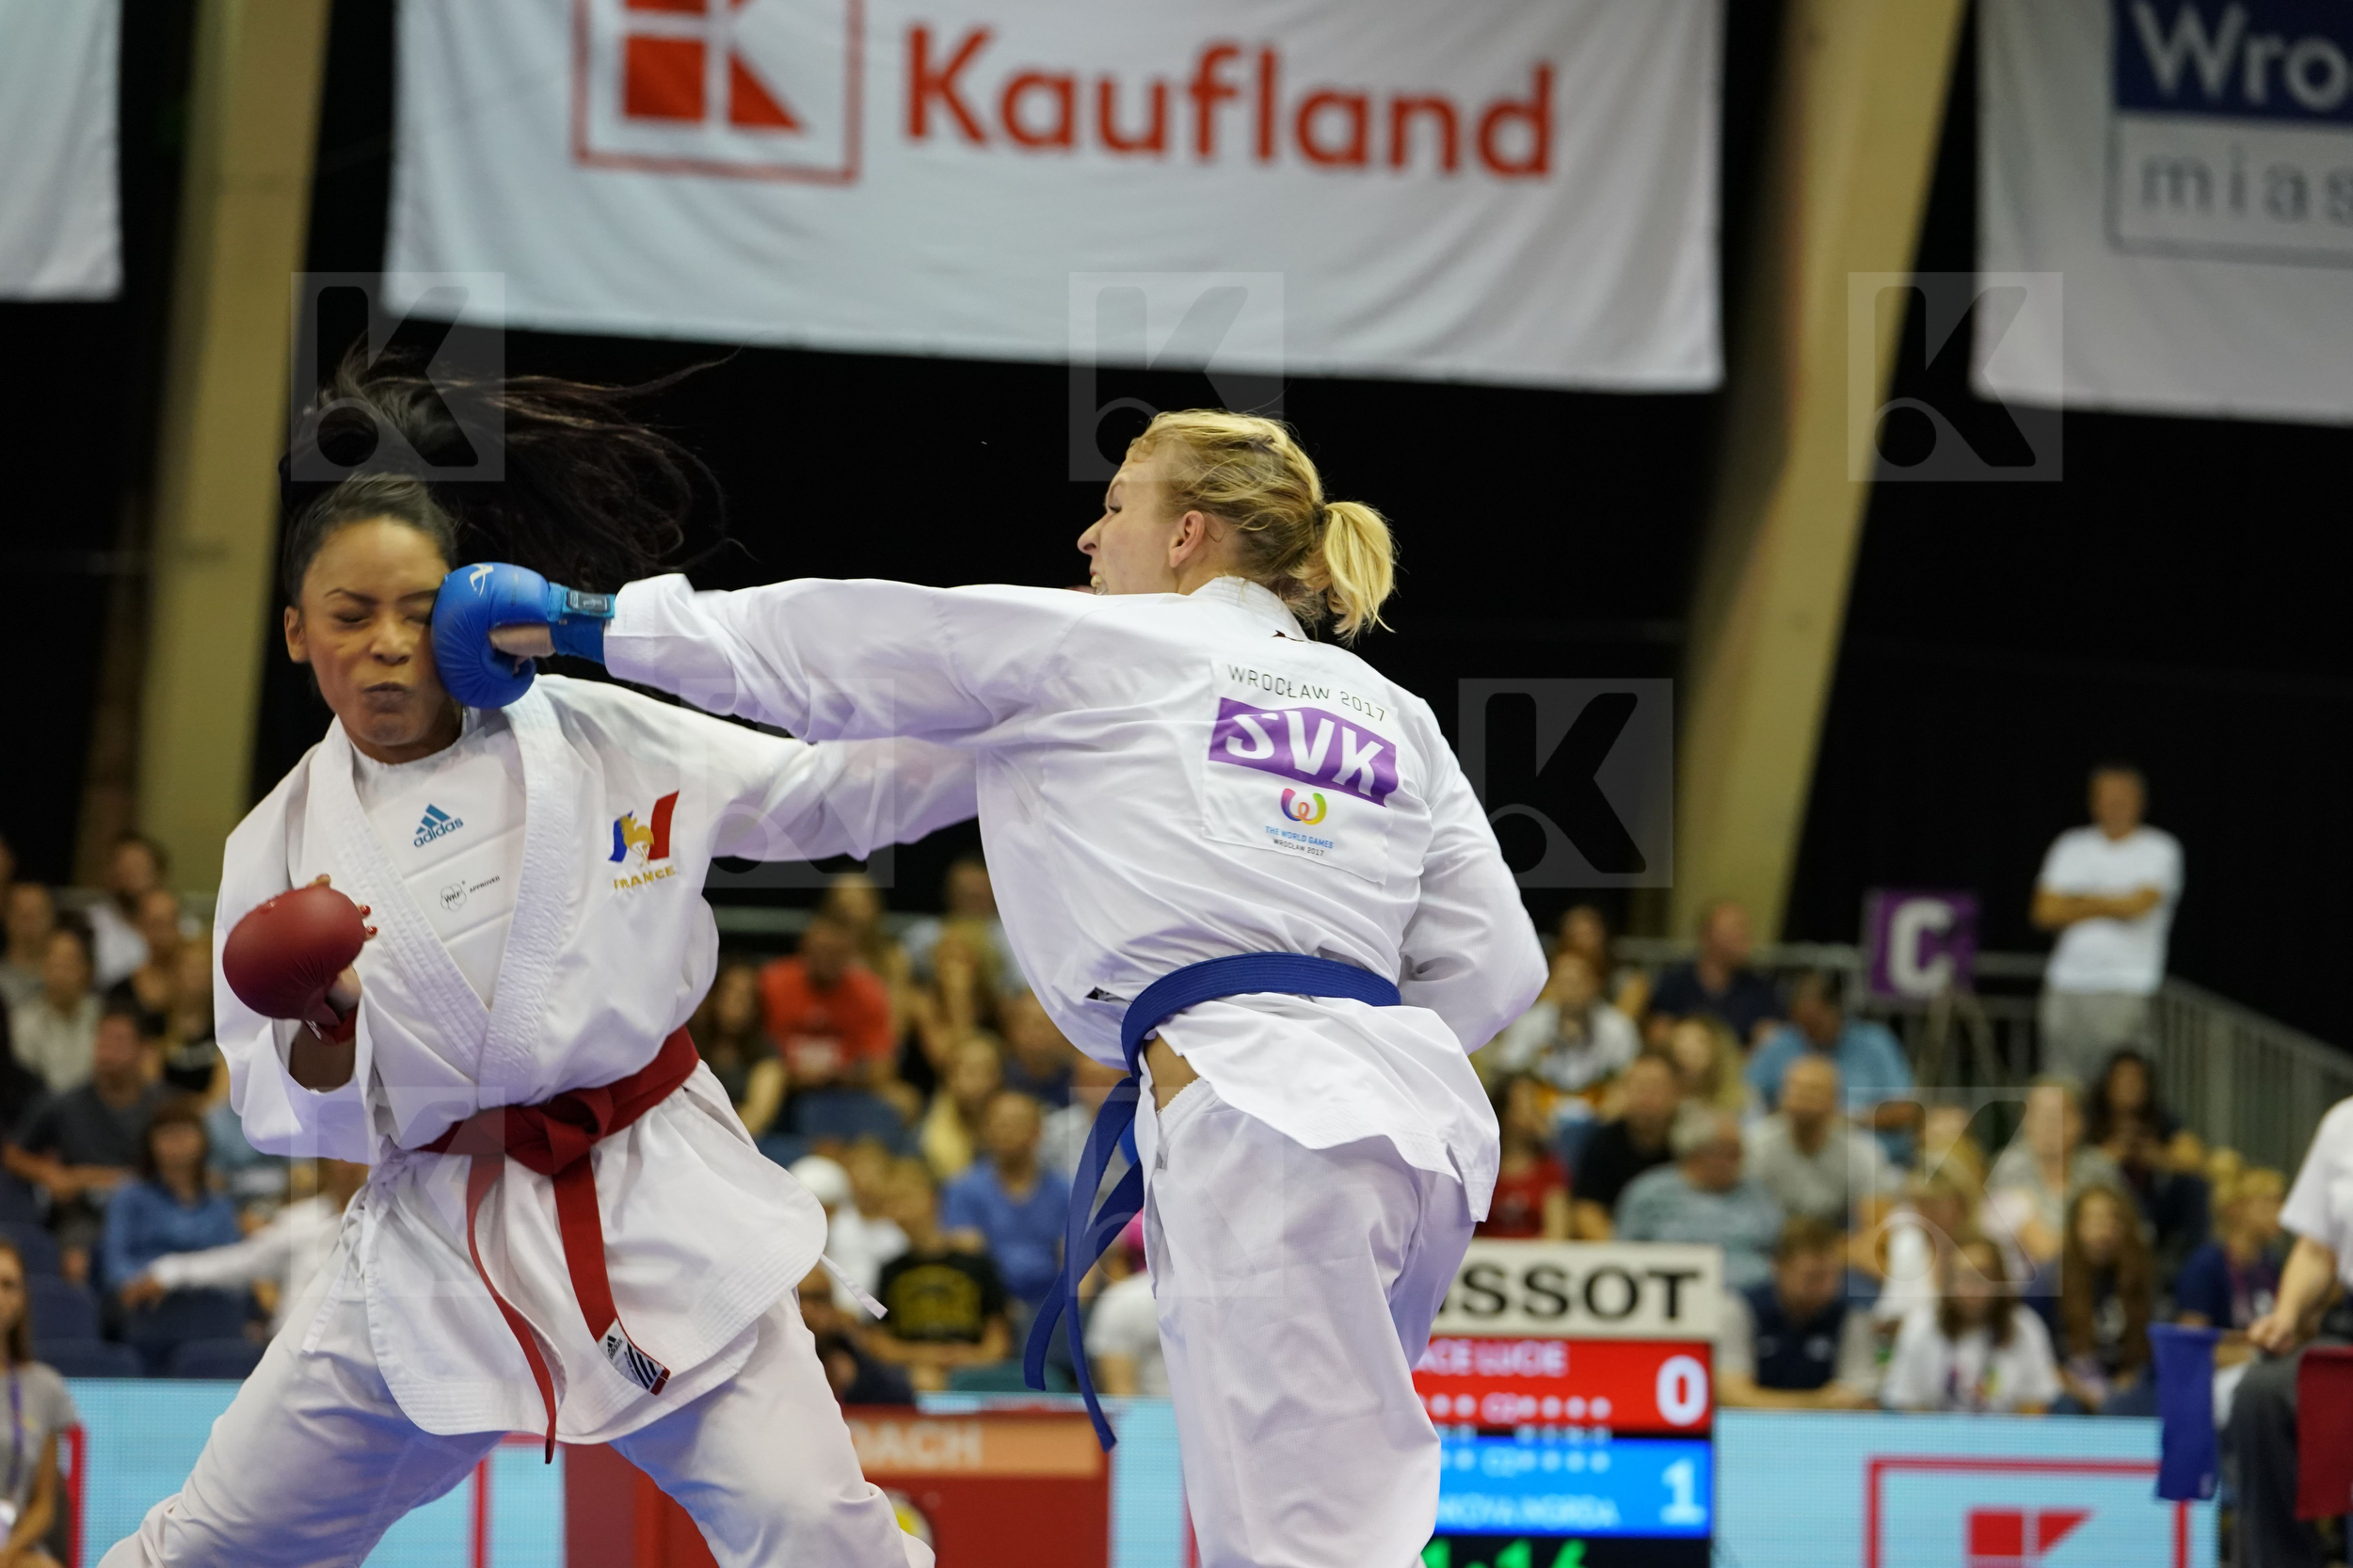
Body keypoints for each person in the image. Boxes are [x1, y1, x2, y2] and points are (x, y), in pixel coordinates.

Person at [446, 407, 1546, 1566]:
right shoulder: (1394, 712)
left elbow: (846, 642)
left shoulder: (1113, 649)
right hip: (1412, 1131)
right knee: (1340, 1508)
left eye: (1117, 504)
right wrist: (1340, 1046)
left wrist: (591, 621)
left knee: (1297, 1540)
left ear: (1188, 536)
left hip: (1262, 1116)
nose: (1088, 534)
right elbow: (1497, 964)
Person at [98, 368, 980, 1568]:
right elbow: (286, 1114)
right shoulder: (275, 846)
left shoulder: (599, 735)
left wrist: (1021, 724)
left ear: (466, 607)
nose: (389, 645)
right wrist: (324, 1022)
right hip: (430, 1242)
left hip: (652, 1199)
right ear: (296, 630)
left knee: (821, 1536)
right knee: (204, 1546)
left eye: (417, 609)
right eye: (349, 615)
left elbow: (829, 795)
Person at [2234, 1096, 2353, 1568]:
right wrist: (2285, 1315)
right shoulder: (2344, 1123)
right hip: (2349, 1336)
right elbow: (2316, 1248)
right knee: (2262, 1395)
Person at [2030, 763, 2183, 1086]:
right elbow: (2044, 911)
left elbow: (2138, 906)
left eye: (2123, 797)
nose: (2115, 805)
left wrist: (2077, 901)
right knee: (2061, 1082)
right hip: (2066, 983)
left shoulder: (2160, 848)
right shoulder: (2070, 845)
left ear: (2141, 802)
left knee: (2120, 1085)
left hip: (2126, 984)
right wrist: (2113, 901)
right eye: (2107, 797)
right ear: (2093, 802)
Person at [7, 1001, 171, 1284]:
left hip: (153, 1209)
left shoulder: (164, 1107)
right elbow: (13, 1153)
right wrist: (50, 1174)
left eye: (119, 1041)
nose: (107, 1050)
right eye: (102, 1039)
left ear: (144, 1050)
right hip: (84, 1217)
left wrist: (89, 1177)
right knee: (75, 1263)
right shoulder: (65, 1104)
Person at [124, 1158, 371, 1335]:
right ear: (326, 1163)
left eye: (358, 1156)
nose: (348, 1166)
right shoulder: (299, 1221)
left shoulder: (391, 1225)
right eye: (341, 1156)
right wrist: (170, 1271)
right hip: (295, 1356)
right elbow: (240, 1262)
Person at [101, 1100, 247, 1375]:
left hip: (208, 1310)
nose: (176, 1143)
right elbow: (115, 1263)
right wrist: (142, 1282)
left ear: (203, 1140)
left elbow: (234, 1264)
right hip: (148, 1310)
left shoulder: (220, 1203)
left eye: (184, 1133)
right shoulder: (129, 1196)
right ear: (151, 1143)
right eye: (167, 1135)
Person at [867, 1160, 1014, 1393]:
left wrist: (968, 1359)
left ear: (932, 1197)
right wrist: (927, 1356)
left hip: (974, 1376)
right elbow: (879, 1342)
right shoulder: (890, 1270)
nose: (898, 1212)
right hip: (912, 1373)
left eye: (904, 1199)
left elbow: (998, 1340)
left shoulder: (977, 1265)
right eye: (890, 1203)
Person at [1746, 970, 1917, 1164]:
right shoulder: (1780, 1043)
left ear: (1837, 1010)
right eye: (1802, 1023)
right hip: (1792, 1157)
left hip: (1874, 1157)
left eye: (1816, 1022)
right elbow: (1745, 1099)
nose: (1809, 1031)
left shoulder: (1875, 1043)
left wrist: (1846, 1121)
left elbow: (1907, 1110)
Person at [1881, 1235, 2059, 1414]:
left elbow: (2034, 1406)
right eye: (1963, 1276)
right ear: (1948, 1281)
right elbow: (1910, 1406)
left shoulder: (2025, 1327)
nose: (1973, 1287)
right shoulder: (1921, 1326)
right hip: (1937, 1438)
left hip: (2005, 1438)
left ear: (1999, 1280)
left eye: (1983, 1276)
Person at [1716, 1216, 1881, 1409]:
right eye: (1813, 1277)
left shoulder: (1851, 1316)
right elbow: (1731, 1394)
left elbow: (1858, 1397)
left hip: (1827, 1433)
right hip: (1752, 1430)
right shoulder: (1740, 1308)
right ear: (1779, 1267)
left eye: (1833, 1275)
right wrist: (1819, 1401)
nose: (1826, 1287)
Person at [1615, 1106, 1785, 1291]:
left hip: (1752, 1299)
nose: (1739, 1159)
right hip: (1674, 1296)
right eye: (1729, 1151)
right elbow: (1625, 1255)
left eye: (1739, 1151)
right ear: (1696, 1152)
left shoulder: (1756, 1193)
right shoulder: (1650, 1193)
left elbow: (1781, 1249)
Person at [760, 913, 900, 1135]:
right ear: (804, 947)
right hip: (782, 1090)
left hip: (847, 1093)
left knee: (903, 1102)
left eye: (836, 953)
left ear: (850, 955)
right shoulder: (773, 982)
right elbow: (754, 1047)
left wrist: (839, 1075)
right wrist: (792, 1075)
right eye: (821, 951)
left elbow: (881, 1067)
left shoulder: (869, 992)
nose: (827, 959)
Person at [940, 1091, 1071, 1319]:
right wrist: (1000, 1307)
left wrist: (1069, 1309)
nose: (1007, 1132)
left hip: (1051, 1301)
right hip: (989, 1304)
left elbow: (1076, 1260)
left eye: (1017, 1124)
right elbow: (969, 1260)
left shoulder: (1065, 1189)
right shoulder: (963, 1189)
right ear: (986, 1131)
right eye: (999, 1124)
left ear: (1038, 1132)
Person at [2032, 1185, 2156, 1416]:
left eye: (2112, 1220)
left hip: (2123, 1386)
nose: (2103, 1230)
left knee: (2134, 1402)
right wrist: (2078, 1390)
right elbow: (2033, 1354)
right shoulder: (2046, 1283)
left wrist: (2130, 1380)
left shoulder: (2140, 1279)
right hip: (2066, 1385)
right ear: (2075, 1226)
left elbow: (2151, 1351)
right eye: (2093, 1220)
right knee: (2063, 1409)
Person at [2085, 1048, 2208, 1279]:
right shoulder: (2092, 1118)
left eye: (2137, 1078)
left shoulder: (2159, 1117)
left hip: (2154, 1208)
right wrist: (2111, 1155)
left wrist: (2156, 1156)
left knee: (2193, 1185)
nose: (2130, 1085)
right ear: (2108, 1083)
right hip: (2108, 1203)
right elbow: (2076, 1164)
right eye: (2123, 1078)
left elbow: (2195, 1157)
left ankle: (2196, 1266)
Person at [1984, 1078, 2124, 1267]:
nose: (2048, 1125)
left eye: (2058, 1115)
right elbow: (2039, 1248)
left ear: (2078, 1122)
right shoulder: (2008, 1167)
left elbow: (2128, 1230)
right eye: (2039, 1115)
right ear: (2025, 1122)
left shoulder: (2099, 1168)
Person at [1745, 1055, 1894, 1230]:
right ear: (1781, 1096)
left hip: (1837, 1246)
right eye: (1795, 1089)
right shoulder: (1754, 1145)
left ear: (1835, 1100)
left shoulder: (1863, 1152)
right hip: (1770, 1243)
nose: (1803, 1097)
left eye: (1814, 1090)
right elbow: (1742, 1214)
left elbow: (1876, 1227)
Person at [0, 1239, 77, 1568]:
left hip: (10, 1544)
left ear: (22, 1299)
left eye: (8, 1285)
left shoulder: (45, 1388)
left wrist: (5, 1555)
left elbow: (45, 1504)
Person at [1488, 948, 1639, 1100]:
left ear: (1594, 984)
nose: (1570, 991)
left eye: (1577, 983)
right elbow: (1510, 1070)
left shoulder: (1618, 1027)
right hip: (1541, 1107)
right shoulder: (1529, 1022)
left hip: (1599, 1109)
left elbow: (1627, 1077)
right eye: (1563, 982)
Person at [1570, 1052, 1680, 1240]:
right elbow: (1586, 1211)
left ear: (1676, 1094)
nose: (1647, 1098)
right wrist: (1624, 1256)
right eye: (1640, 1088)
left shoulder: (1693, 1142)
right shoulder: (1602, 1142)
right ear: (1624, 1091)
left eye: (1656, 1088)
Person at [1645, 900, 1782, 1048]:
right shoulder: (1676, 983)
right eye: (1734, 929)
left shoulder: (1759, 990)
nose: (1744, 937)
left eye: (1744, 929)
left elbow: (1771, 1041)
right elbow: (1658, 1035)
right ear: (1706, 936)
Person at [2174, 1165, 2285, 1333]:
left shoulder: (2271, 1262)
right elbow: (2190, 1340)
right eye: (2269, 1202)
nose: (2281, 1211)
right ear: (2235, 1209)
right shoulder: (2206, 1264)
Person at [788, 1155, 906, 1311]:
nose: (817, 1213)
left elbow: (855, 1309)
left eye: (825, 1206)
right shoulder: (780, 1237)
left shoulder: (857, 1240)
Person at [690, 960, 786, 1141]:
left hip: (741, 1142)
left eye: (747, 995)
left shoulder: (766, 1052)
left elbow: (759, 1114)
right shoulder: (690, 1044)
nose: (737, 1001)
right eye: (730, 991)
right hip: (687, 1136)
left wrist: (717, 1140)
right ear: (713, 995)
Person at [795, 1266, 915, 1407]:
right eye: (797, 1300)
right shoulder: (766, 1365)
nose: (807, 1311)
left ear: (834, 1308)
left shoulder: (856, 1363)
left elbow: (898, 1398)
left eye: (818, 1299)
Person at [1481, 1076, 1571, 1240]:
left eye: (1535, 1103)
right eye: (1524, 1104)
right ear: (1503, 1112)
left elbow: (1557, 1234)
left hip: (1535, 1260)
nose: (1533, 1111)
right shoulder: (1480, 1168)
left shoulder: (1549, 1168)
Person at [9, 927, 98, 1094]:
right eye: (55, 964)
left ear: (87, 970)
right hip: (43, 1110)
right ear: (43, 969)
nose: (61, 973)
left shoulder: (103, 1016)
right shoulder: (23, 1022)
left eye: (70, 964)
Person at [87, 834, 169, 992]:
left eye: (138, 867)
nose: (131, 876)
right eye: (124, 868)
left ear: (158, 873)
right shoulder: (90, 924)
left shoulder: (183, 926)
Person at [918, 1036, 1003, 1183]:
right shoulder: (928, 1138)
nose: (980, 1081)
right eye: (970, 1072)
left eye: (988, 1071)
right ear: (949, 1077)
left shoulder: (1019, 1118)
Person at [105, 888, 186, 1041]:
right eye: (156, 924)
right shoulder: (119, 993)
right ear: (141, 926)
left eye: (170, 923)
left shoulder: (200, 990)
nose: (163, 933)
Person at [1554, 903, 1647, 1023]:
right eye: (1576, 936)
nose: (1584, 944)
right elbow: (1545, 1016)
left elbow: (1621, 1027)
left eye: (1589, 935)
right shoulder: (1551, 982)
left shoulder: (1629, 981)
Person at [1664, 1014, 1753, 1119]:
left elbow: (1755, 1130)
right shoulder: (1663, 1104)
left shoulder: (1743, 1099)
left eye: (1696, 1053)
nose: (1686, 1054)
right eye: (1680, 1045)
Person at [0, 883, 55, 1014]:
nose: (29, 922)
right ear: (7, 918)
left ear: (52, 918)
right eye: (22, 915)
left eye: (37, 914)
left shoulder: (69, 975)